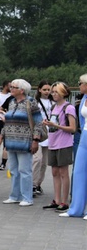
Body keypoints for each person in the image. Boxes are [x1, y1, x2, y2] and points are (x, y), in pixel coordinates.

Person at [0, 79, 43, 207]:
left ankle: (27, 197)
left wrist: (35, 140)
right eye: (11, 86)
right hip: (11, 141)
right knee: (13, 170)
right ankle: (14, 196)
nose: (11, 89)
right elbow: (8, 121)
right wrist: (1, 136)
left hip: (24, 141)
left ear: (22, 90)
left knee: (25, 170)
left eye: (14, 87)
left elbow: (38, 122)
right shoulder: (11, 102)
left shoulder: (31, 102)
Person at [41, 82, 77, 211]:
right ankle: (56, 200)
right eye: (53, 91)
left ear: (64, 93)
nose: (54, 94)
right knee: (54, 172)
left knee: (63, 172)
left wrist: (56, 125)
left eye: (57, 92)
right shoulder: (53, 107)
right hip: (53, 142)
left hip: (64, 143)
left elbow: (72, 128)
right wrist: (47, 123)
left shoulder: (69, 108)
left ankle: (64, 201)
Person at [60, 74, 87, 220]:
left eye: (80, 83)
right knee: (78, 172)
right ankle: (76, 209)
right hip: (84, 136)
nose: (79, 85)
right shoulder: (83, 99)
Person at [32, 81, 53, 191]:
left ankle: (38, 184)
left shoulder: (52, 102)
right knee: (37, 159)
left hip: (49, 133)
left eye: (48, 90)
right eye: (44, 89)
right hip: (38, 131)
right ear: (39, 89)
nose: (47, 92)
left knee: (44, 162)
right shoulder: (35, 102)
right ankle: (32, 183)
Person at [0, 81, 12, 170]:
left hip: (7, 119)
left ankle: (4, 160)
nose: (11, 88)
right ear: (5, 86)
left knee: (6, 138)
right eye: (10, 86)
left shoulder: (11, 96)